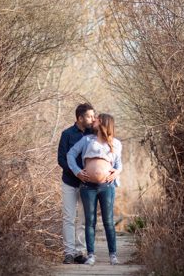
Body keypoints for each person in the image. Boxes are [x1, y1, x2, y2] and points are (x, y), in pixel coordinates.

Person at [67, 113, 122, 266]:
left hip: (107, 187)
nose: (94, 120)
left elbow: (119, 164)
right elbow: (70, 154)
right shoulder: (87, 140)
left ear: (103, 122)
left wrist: (117, 172)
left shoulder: (116, 143)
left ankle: (113, 255)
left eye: (97, 118)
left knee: (108, 222)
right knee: (90, 221)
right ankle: (91, 255)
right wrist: (77, 171)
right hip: (87, 186)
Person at [57, 103, 95, 264]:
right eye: (89, 116)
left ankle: (80, 252)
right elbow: (61, 159)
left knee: (84, 219)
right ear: (80, 118)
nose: (93, 119)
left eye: (94, 116)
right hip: (70, 182)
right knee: (69, 218)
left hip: (88, 185)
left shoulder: (94, 134)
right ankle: (69, 253)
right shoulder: (67, 134)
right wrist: (76, 172)